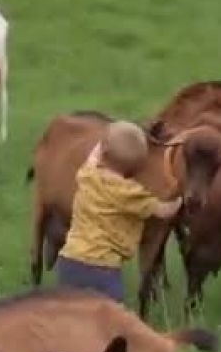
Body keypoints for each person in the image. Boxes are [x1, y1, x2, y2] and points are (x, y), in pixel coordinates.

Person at [57, 120, 182, 303]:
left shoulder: (88, 174)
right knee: (109, 319)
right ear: (136, 166)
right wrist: (180, 198)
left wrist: (103, 143)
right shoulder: (129, 193)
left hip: (70, 260)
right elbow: (164, 211)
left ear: (103, 153)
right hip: (102, 268)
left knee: (73, 314)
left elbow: (93, 158)